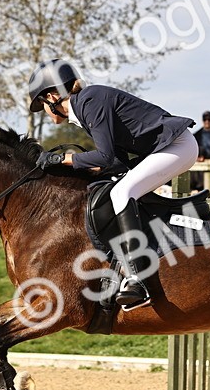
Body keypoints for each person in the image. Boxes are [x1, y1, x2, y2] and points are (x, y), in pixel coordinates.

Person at [28, 58, 197, 311]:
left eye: (42, 105)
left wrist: (62, 158)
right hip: (164, 149)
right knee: (114, 187)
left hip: (177, 146)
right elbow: (116, 162)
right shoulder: (85, 107)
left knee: (122, 192)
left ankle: (138, 279)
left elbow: (105, 157)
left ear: (52, 96)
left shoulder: (89, 100)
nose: (45, 112)